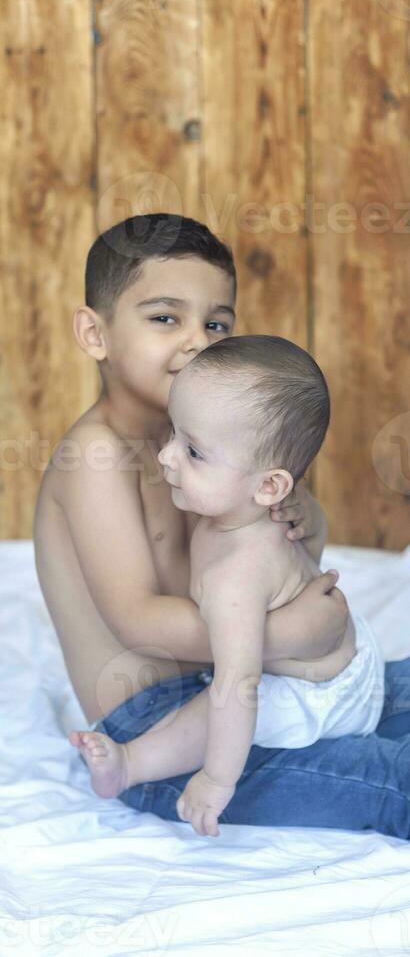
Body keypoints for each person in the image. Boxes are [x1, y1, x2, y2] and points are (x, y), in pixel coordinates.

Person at [35, 213, 410, 842]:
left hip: (252, 686)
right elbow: (137, 618)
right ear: (94, 332)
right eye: (165, 318)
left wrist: (302, 517)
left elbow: (283, 557)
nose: (195, 341)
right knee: (382, 778)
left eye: (215, 323)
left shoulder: (214, 443)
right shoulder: (96, 456)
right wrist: (284, 632)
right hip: (159, 733)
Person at [68, 335, 385, 837]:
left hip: (322, 695)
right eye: (174, 434)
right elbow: (304, 561)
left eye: (193, 451)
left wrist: (216, 780)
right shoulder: (242, 510)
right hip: (346, 654)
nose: (168, 456)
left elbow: (239, 686)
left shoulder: (236, 578)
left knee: (217, 702)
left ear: (268, 486)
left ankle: (131, 764)